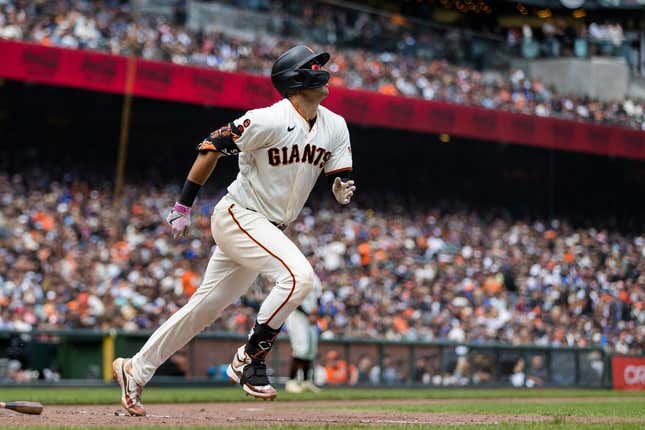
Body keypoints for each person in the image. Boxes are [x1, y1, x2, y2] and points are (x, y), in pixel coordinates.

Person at [112, 45, 356, 416]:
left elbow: (338, 172)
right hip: (240, 215)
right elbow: (211, 146)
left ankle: (135, 369)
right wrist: (183, 205)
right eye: (315, 66)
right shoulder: (267, 120)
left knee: (203, 309)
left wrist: (339, 187)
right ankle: (248, 360)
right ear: (297, 78)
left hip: (267, 227)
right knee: (298, 277)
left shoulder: (334, 125)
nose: (323, 70)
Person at [284, 276, 322, 393]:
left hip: (310, 318)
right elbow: (293, 300)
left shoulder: (315, 278)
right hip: (297, 317)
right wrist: (308, 315)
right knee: (301, 348)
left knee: (310, 349)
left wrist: (316, 312)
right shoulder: (297, 274)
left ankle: (306, 381)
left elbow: (318, 297)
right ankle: (291, 382)